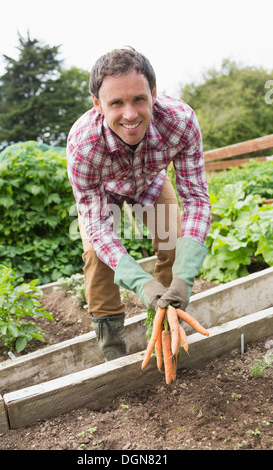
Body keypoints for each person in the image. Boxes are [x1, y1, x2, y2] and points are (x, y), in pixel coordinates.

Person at [66, 47, 211, 362]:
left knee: (173, 241)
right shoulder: (83, 145)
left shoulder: (181, 122)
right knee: (96, 257)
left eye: (138, 99)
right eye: (116, 103)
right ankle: (112, 349)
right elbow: (96, 225)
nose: (130, 114)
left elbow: (196, 199)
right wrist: (140, 281)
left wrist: (184, 276)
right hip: (104, 193)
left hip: (150, 182)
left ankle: (164, 327)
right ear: (97, 104)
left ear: (154, 93)